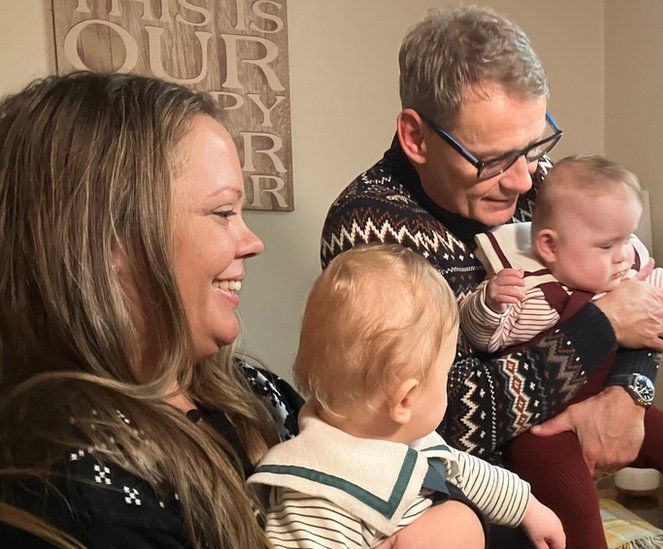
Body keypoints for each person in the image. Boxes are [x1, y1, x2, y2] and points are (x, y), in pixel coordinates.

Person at [0, 72, 483, 549]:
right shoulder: (78, 490)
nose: (252, 242)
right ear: (108, 244)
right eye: (223, 212)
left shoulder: (252, 394)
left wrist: (457, 521)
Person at [320, 7, 663, 547]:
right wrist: (600, 329)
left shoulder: (543, 183)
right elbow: (442, 417)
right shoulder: (369, 229)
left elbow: (635, 291)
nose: (523, 179)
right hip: (457, 501)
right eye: (492, 159)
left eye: (536, 146)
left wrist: (630, 392)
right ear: (416, 137)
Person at [248, 244, 565, 548]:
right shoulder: (317, 493)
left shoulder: (405, 440)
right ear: (405, 399)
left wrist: (529, 508)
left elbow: (468, 471)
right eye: (444, 374)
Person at [459, 154, 663, 353]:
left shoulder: (625, 274)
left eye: (627, 238)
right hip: (547, 425)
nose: (622, 255)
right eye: (606, 246)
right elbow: (485, 340)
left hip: (612, 400)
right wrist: (489, 304)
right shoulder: (527, 292)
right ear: (549, 246)